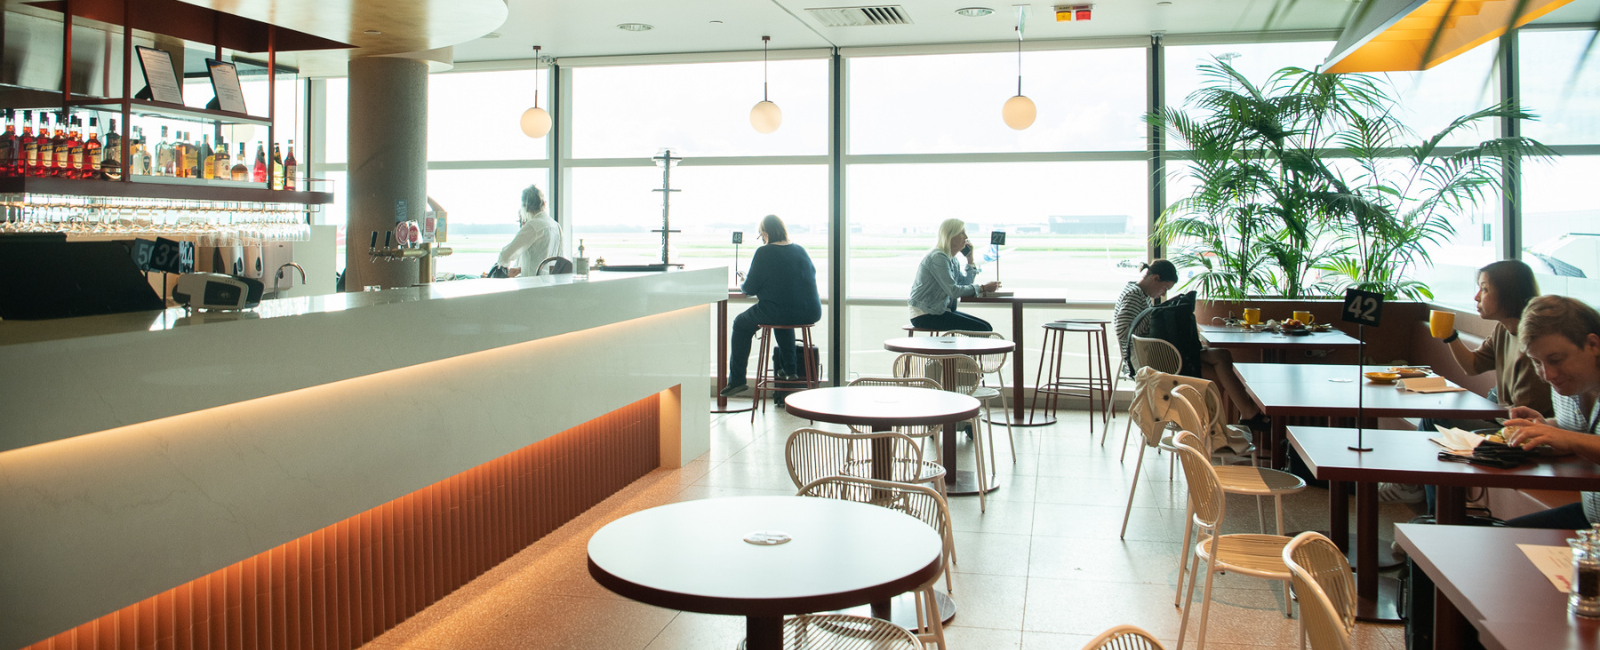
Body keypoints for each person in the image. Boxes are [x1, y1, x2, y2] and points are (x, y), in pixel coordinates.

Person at [1381, 260, 1553, 505]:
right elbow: (1473, 366)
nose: (1476, 297)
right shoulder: (1504, 329)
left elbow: (1520, 415)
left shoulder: (1534, 342)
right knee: (1438, 416)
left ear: (1507, 293)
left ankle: (1428, 508)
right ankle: (1418, 491)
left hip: (1522, 430)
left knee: (1436, 418)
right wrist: (1450, 336)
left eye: (1484, 289)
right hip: (1500, 413)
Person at [1114, 259, 1262, 423]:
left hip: (1155, 356)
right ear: (1155, 278)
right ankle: (1213, 425)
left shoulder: (1139, 293)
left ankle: (1242, 415)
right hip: (1150, 362)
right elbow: (1124, 332)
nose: (1163, 294)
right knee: (1218, 368)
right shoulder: (1134, 296)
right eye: (1165, 288)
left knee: (1222, 355)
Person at [1501, 295, 1600, 528]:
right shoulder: (1566, 384)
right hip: (1591, 518)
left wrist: (1567, 438)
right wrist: (1545, 427)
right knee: (1503, 539)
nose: (1547, 375)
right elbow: (1581, 432)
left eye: (1555, 360)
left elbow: (1578, 438)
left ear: (1593, 345)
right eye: (1537, 363)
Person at [720, 215, 822, 397]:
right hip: (811, 311)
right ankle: (790, 370)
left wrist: (743, 280)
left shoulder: (764, 252)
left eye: (761, 236)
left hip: (780, 311)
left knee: (740, 323)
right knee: (782, 317)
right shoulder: (800, 250)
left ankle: (737, 380)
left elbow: (749, 288)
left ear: (765, 233)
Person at [907, 219, 999, 333]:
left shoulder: (952, 259)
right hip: (925, 314)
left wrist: (970, 259)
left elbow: (965, 284)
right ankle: (963, 351)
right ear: (950, 236)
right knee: (983, 329)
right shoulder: (938, 257)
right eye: (962, 233)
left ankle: (964, 351)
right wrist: (982, 288)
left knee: (986, 326)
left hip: (939, 311)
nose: (966, 237)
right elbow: (954, 291)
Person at [493, 185, 561, 277]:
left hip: (532, 284)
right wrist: (520, 268)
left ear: (526, 207)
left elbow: (506, 254)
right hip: (550, 283)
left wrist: (501, 271)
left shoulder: (533, 226)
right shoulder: (555, 225)